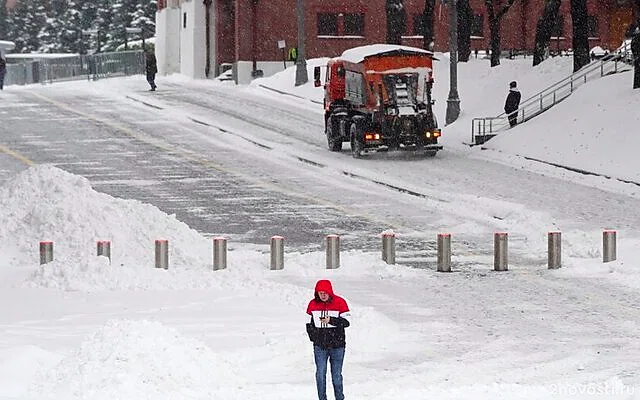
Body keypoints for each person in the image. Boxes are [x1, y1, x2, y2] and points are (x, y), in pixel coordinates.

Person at [306, 279, 351, 400]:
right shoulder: (312, 304)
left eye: (325, 293)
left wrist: (331, 320)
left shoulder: (340, 302)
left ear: (330, 292)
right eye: (320, 293)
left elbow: (347, 322)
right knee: (320, 374)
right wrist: (315, 338)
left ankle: (339, 398)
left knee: (336, 375)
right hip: (320, 346)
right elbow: (309, 324)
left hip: (337, 346)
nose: (323, 295)